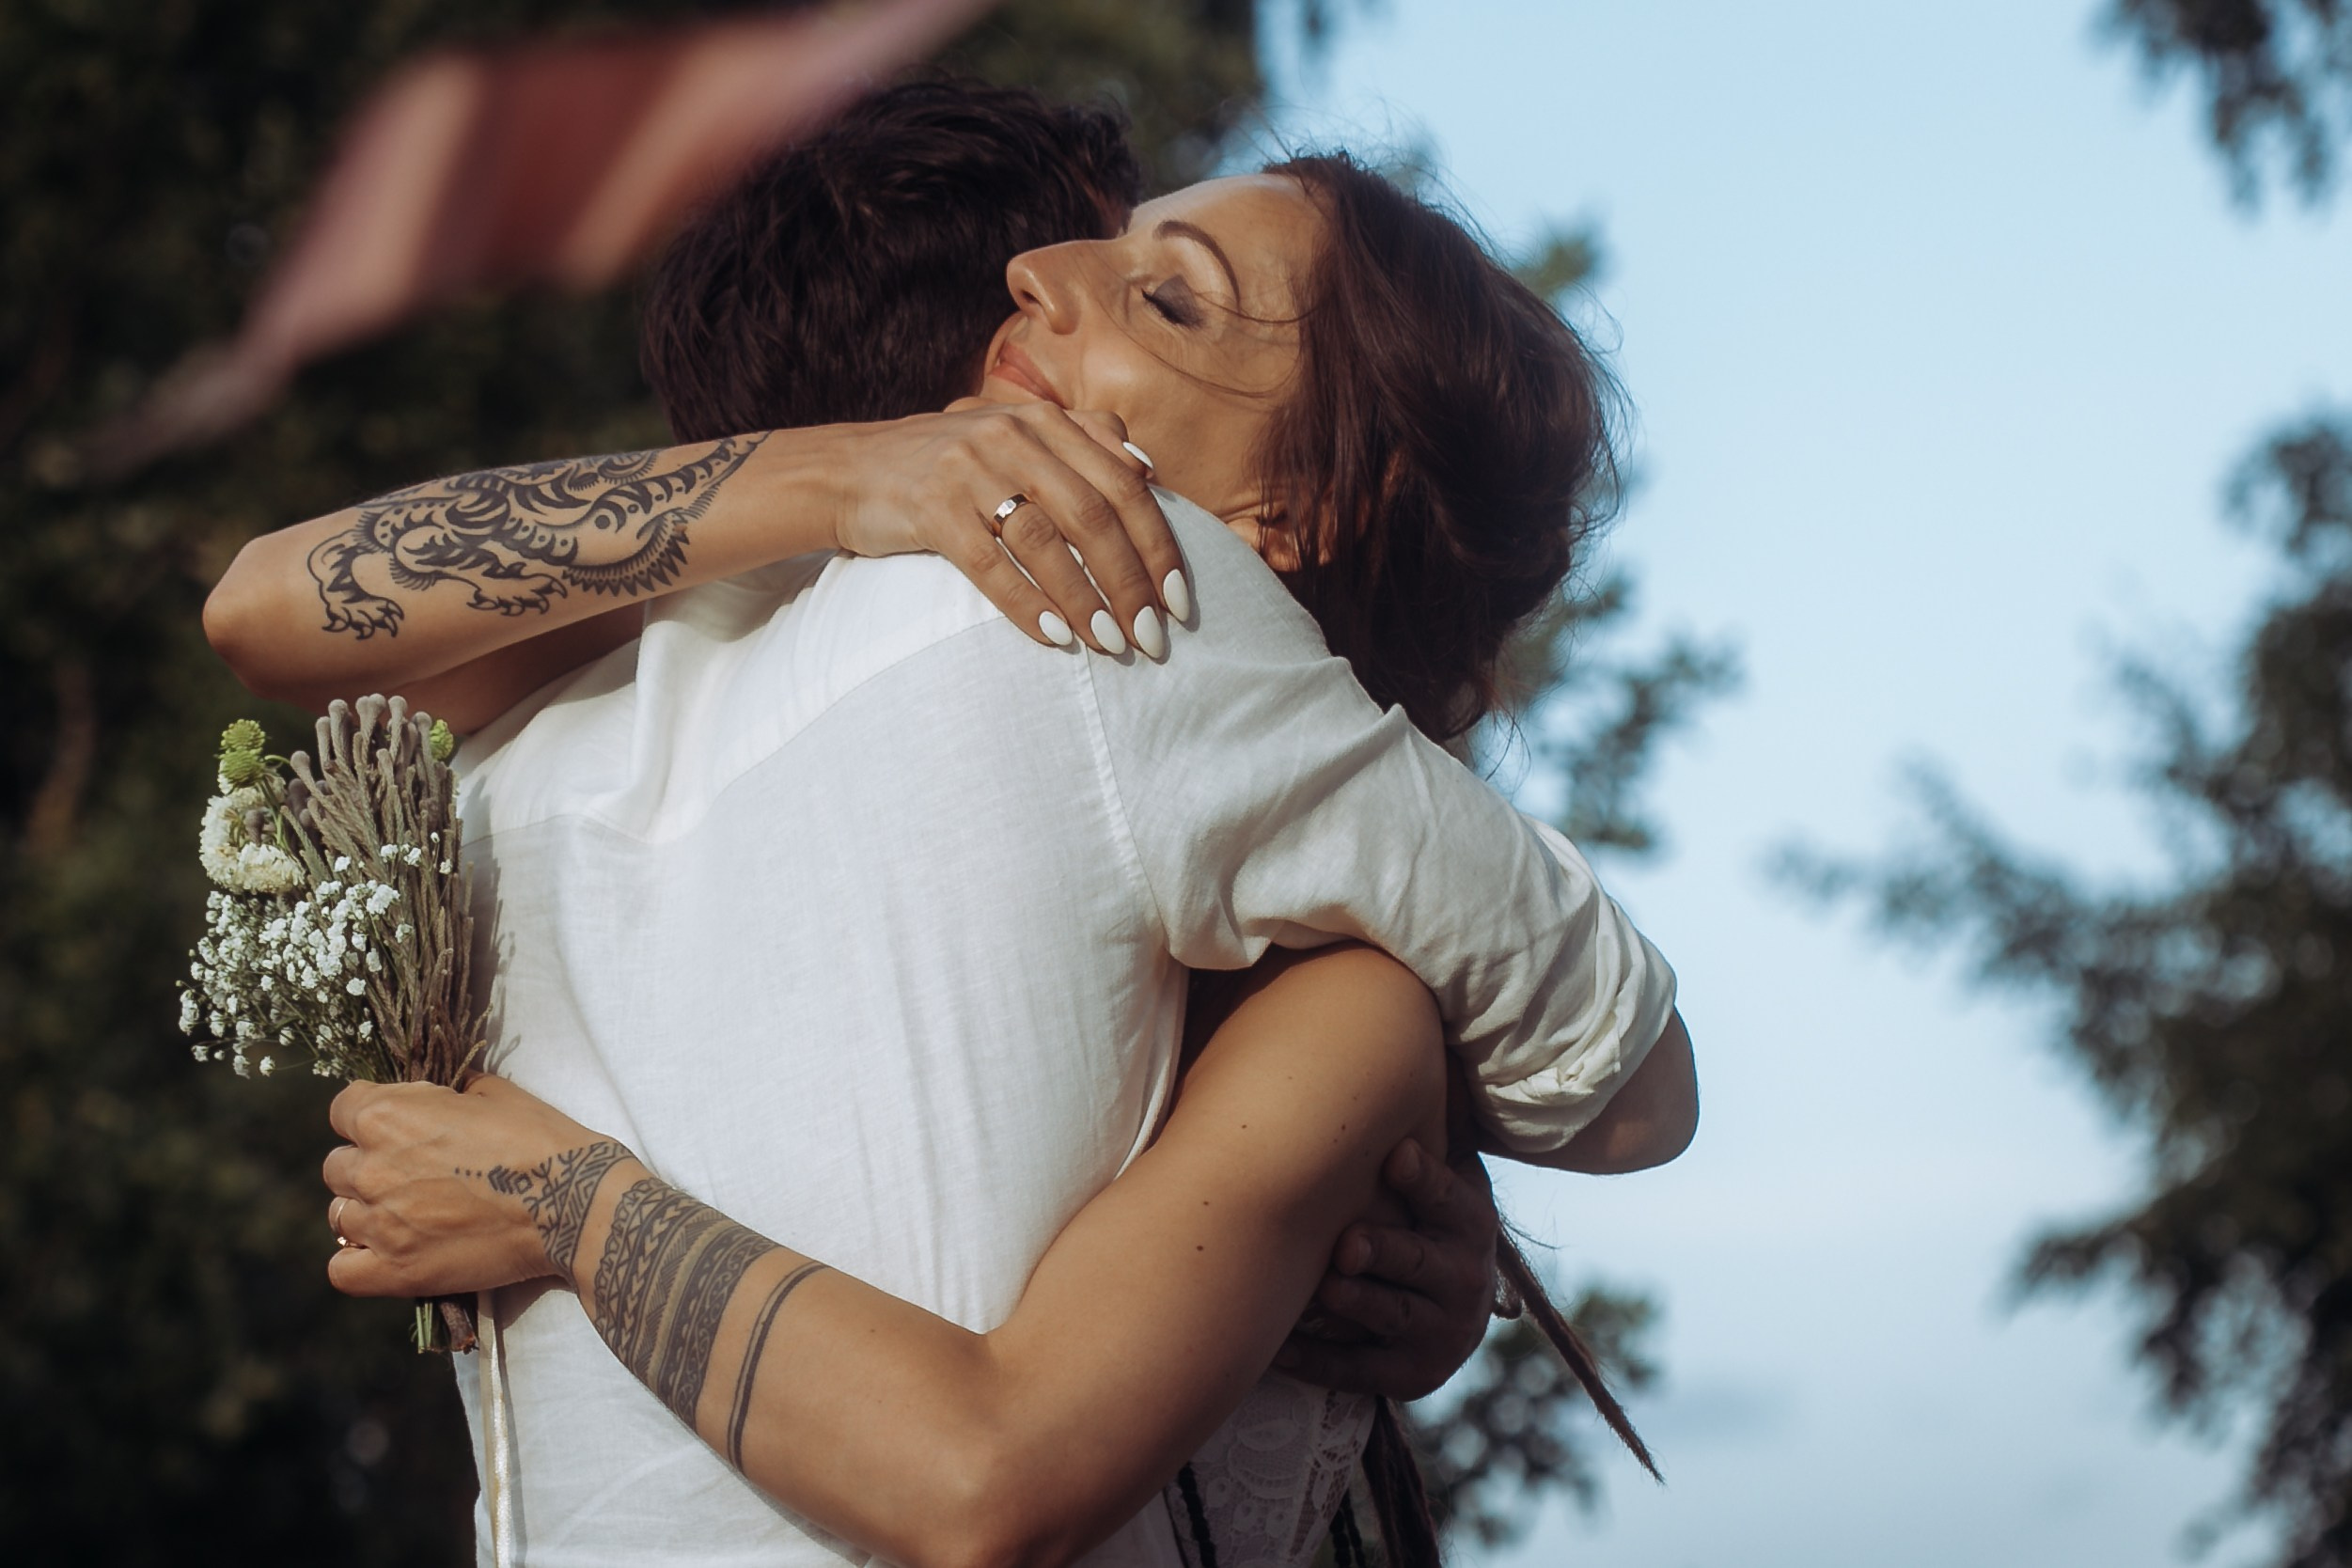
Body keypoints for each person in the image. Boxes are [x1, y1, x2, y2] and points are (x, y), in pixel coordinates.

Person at [210, 89, 1695, 1568]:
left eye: (1164, 296)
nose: (1047, 278)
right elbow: (1630, 1088)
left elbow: (273, 602)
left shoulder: (550, 718)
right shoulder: (1105, 614)